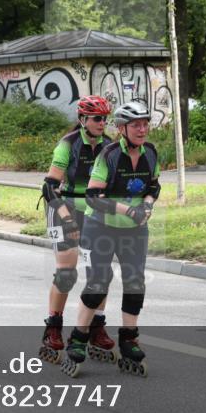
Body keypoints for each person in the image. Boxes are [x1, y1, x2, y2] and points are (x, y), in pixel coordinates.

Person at [62, 101, 160, 378]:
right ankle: (79, 338)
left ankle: (129, 339)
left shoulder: (150, 153)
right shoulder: (108, 155)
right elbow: (93, 196)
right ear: (121, 128)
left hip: (135, 230)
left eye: (145, 123)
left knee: (135, 282)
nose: (142, 129)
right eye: (136, 125)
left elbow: (154, 186)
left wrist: (148, 205)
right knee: (98, 283)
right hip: (100, 227)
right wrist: (128, 209)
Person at [39, 96, 115, 364]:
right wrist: (66, 219)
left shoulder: (109, 146)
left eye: (105, 118)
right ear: (83, 120)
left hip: (93, 210)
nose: (102, 123)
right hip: (64, 206)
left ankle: (96, 327)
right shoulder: (68, 144)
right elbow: (49, 188)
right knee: (67, 272)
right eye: (97, 118)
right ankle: (54, 327)